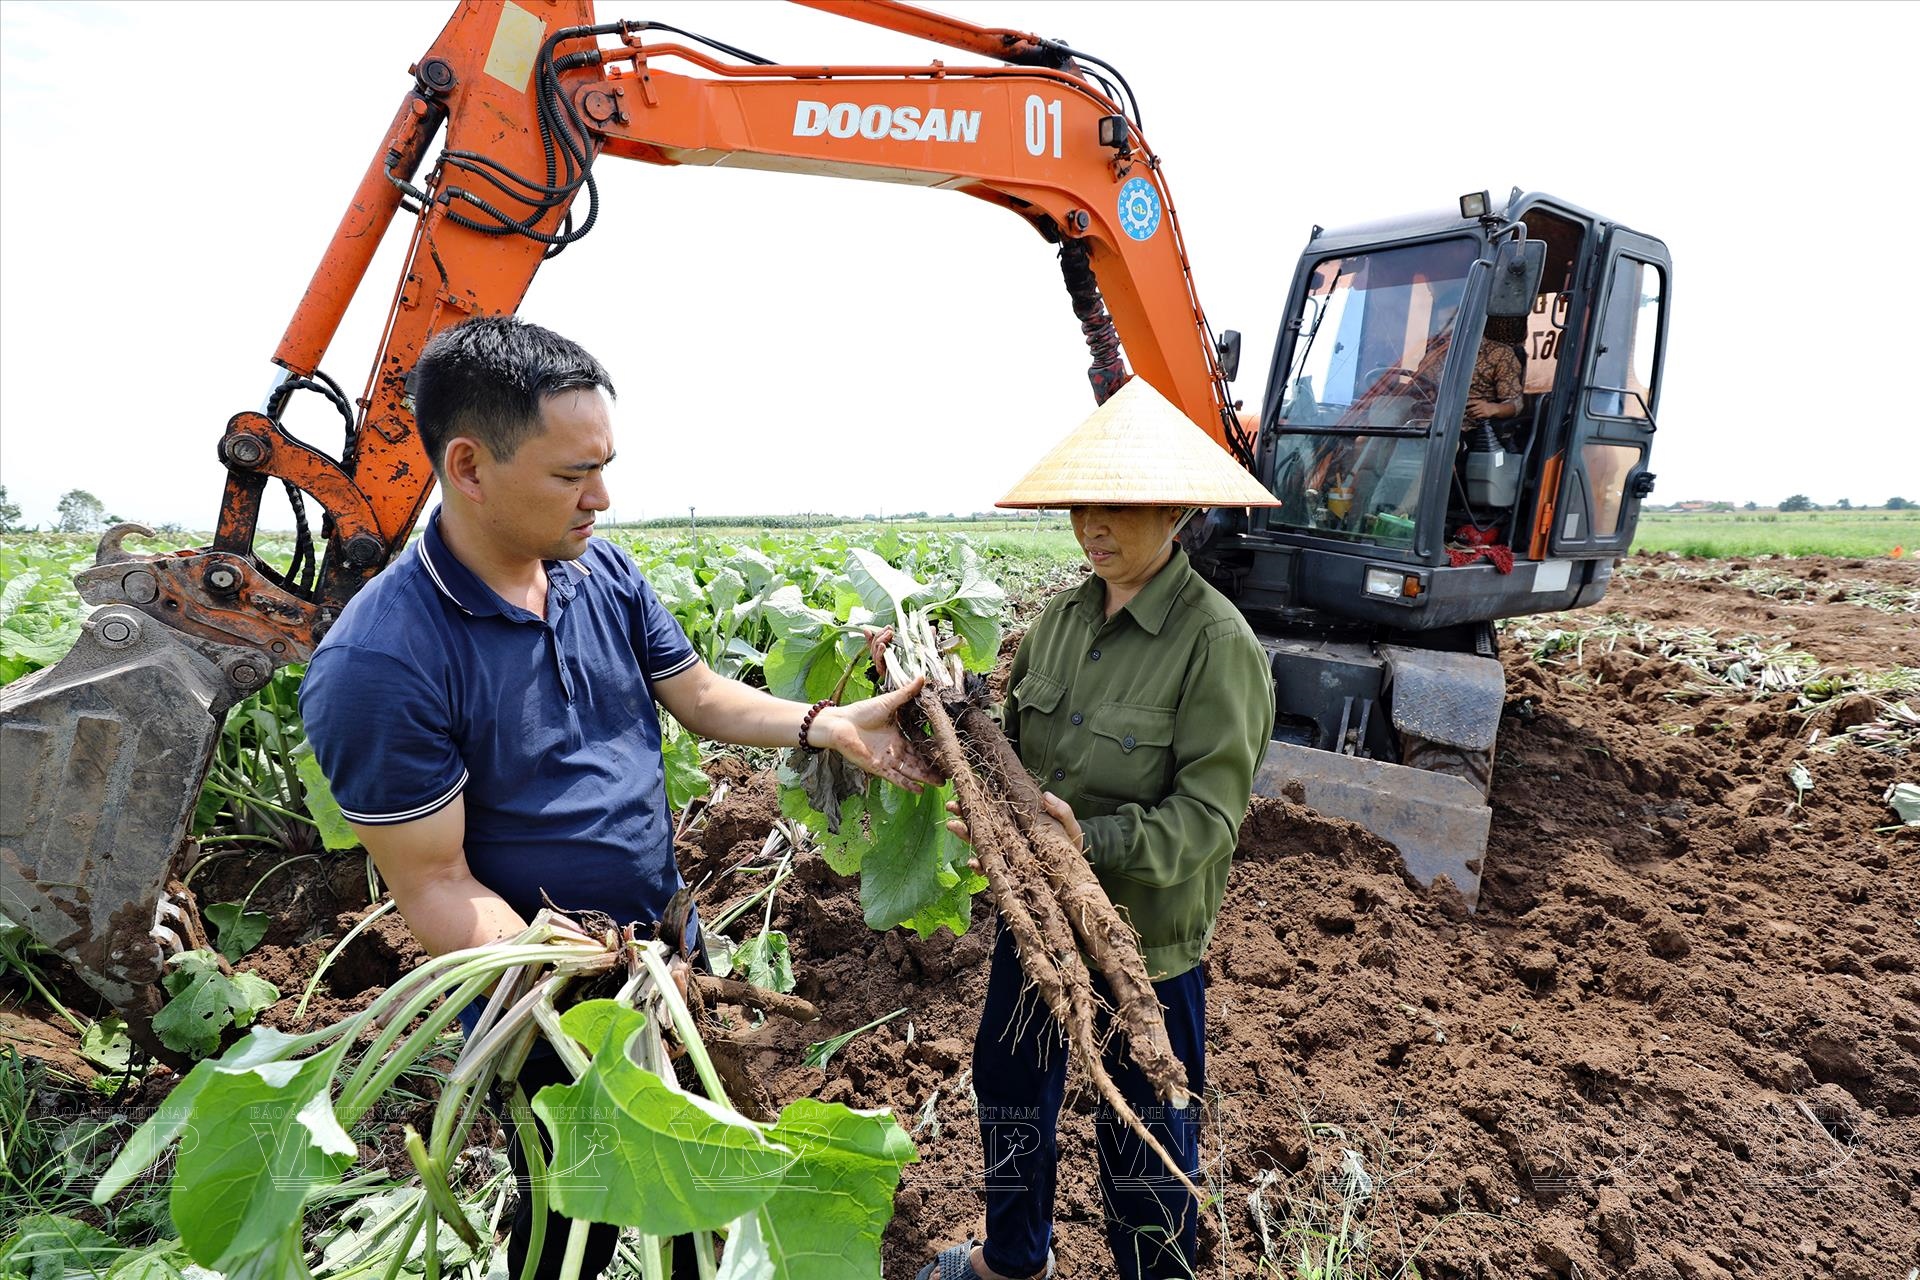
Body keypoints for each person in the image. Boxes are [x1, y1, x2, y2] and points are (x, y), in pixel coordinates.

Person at [298, 315, 936, 1280]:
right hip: (542, 998)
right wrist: (580, 978)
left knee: (698, 1207)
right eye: (570, 475)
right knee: (571, 1226)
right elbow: (434, 885)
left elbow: (701, 697)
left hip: (665, 954)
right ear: (468, 467)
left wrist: (827, 724)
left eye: (604, 465)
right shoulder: (381, 660)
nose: (602, 497)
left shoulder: (596, 568)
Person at [919, 378, 1279, 1280]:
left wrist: (1090, 846)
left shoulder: (1218, 647)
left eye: (1118, 507)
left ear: (1179, 510)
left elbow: (1206, 821)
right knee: (1007, 1090)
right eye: (1083, 506)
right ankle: (1013, 1259)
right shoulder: (1061, 621)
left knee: (1144, 1133)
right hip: (1037, 926)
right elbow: (1014, 759)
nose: (1094, 526)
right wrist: (984, 799)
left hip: (1145, 948)